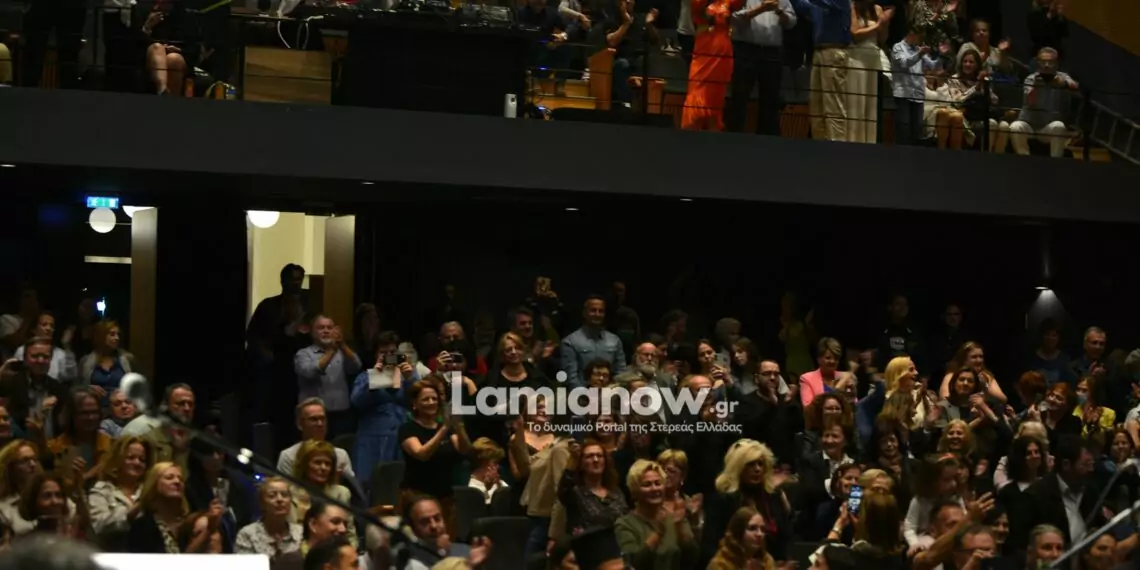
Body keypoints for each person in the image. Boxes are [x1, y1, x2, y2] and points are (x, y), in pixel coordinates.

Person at [615, 459, 700, 570]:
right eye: (647, 485)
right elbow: (634, 563)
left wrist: (680, 528)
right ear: (635, 491)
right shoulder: (625, 524)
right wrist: (659, 533)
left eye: (658, 483)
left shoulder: (675, 517)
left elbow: (693, 558)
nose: (654, 489)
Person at [680, 0, 739, 131]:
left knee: (716, 96)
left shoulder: (727, 1)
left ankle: (713, 134)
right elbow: (697, 8)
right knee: (697, 90)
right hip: (704, 48)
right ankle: (690, 133)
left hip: (723, 51)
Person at [235, 477, 303, 558]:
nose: (280, 499)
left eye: (284, 495)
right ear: (262, 503)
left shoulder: (301, 533)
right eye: (272, 496)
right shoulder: (247, 534)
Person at [707, 506, 778, 570]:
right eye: (752, 528)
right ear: (738, 531)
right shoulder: (721, 563)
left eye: (762, 529)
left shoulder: (767, 561)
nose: (760, 534)